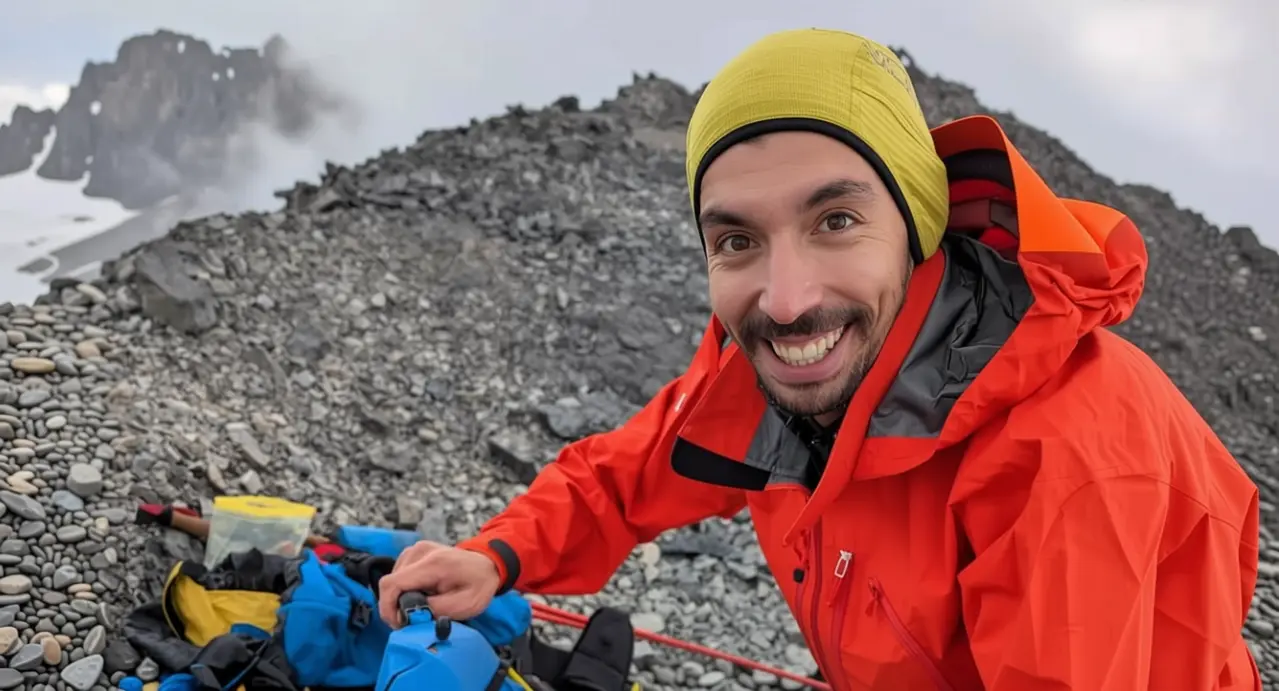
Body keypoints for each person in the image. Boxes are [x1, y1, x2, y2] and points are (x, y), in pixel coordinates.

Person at [377, 28, 1263, 690]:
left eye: (834, 221)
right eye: (735, 240)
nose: (787, 297)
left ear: (917, 227)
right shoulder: (773, 378)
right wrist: (496, 554)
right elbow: (628, 471)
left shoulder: (1067, 461)